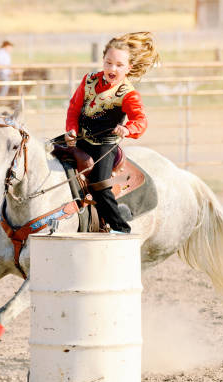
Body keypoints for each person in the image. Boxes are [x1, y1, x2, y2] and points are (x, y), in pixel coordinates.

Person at [64, 32, 160, 233]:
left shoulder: (128, 94)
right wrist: (71, 130)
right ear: (103, 61)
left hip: (104, 146)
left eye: (118, 65)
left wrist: (127, 129)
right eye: (108, 63)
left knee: (99, 184)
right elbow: (74, 108)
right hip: (80, 140)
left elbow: (140, 121)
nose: (112, 68)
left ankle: (120, 227)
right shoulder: (89, 80)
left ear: (128, 68)